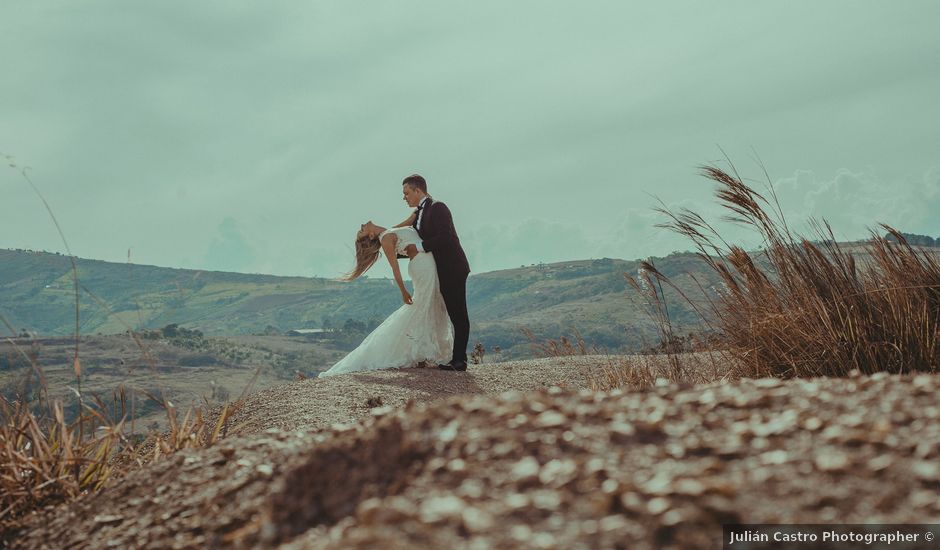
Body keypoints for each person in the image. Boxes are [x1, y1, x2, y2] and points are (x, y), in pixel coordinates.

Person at [319, 219, 453, 376]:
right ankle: (418, 351)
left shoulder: (389, 232)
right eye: (362, 230)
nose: (361, 225)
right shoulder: (385, 239)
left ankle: (422, 351)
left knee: (431, 305)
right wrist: (403, 291)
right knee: (422, 306)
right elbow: (395, 268)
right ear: (370, 234)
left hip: (426, 264)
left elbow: (411, 219)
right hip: (422, 267)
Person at [399, 174, 471, 371]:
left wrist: (419, 246)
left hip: (453, 268)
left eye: (406, 193)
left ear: (418, 190)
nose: (404, 197)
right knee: (449, 314)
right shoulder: (418, 215)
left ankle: (459, 361)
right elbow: (413, 246)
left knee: (458, 315)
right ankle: (454, 358)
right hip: (439, 271)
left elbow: (446, 237)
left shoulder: (438, 207)